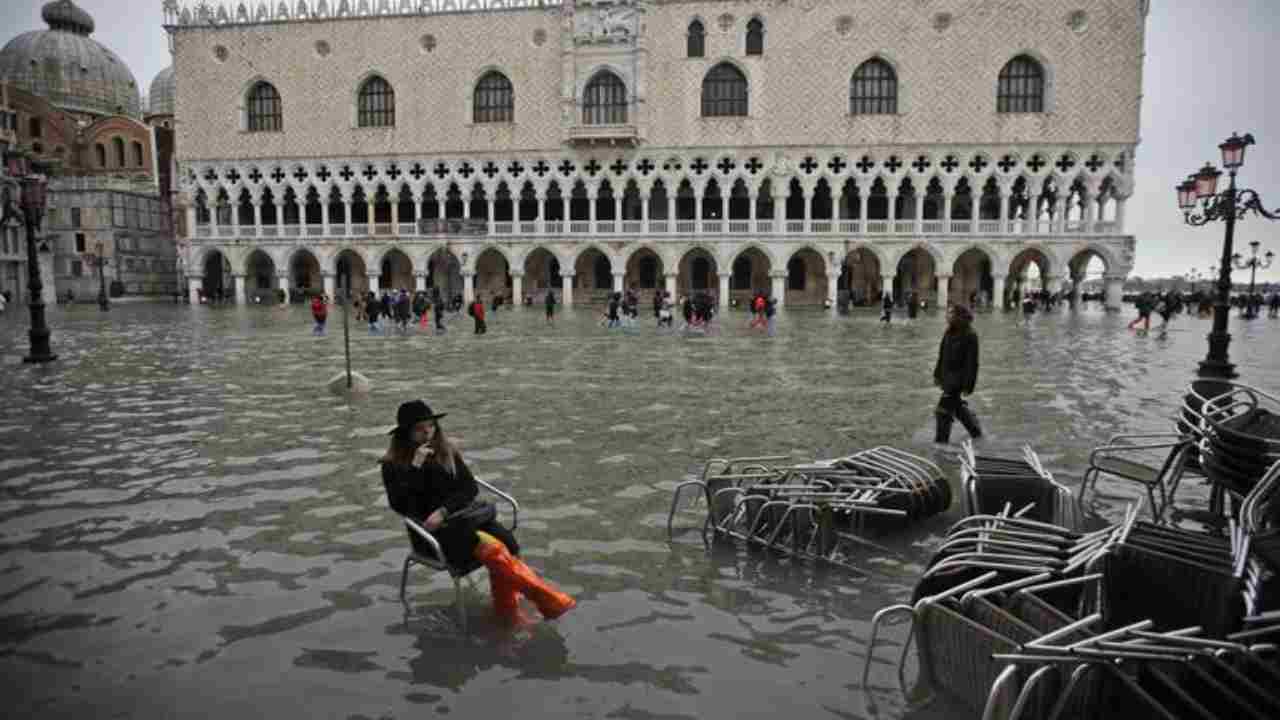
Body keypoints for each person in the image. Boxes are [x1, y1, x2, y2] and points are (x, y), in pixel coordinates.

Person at [381, 401, 575, 625]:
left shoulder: (446, 451)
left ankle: (510, 612)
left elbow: (469, 488)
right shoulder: (392, 465)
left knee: (508, 543)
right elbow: (401, 505)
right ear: (405, 433)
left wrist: (444, 511)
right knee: (493, 550)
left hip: (462, 518)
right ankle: (533, 606)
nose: (427, 433)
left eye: (431, 426)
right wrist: (415, 466)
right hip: (430, 533)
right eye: (419, 428)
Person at [933, 304, 982, 444]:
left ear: (959, 316)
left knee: (942, 410)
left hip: (958, 380)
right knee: (957, 407)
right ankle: (976, 432)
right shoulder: (948, 332)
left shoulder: (970, 335)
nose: (947, 316)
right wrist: (937, 375)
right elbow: (941, 355)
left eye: (951, 313)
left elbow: (972, 363)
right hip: (946, 376)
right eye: (948, 313)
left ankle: (941, 444)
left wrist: (969, 385)